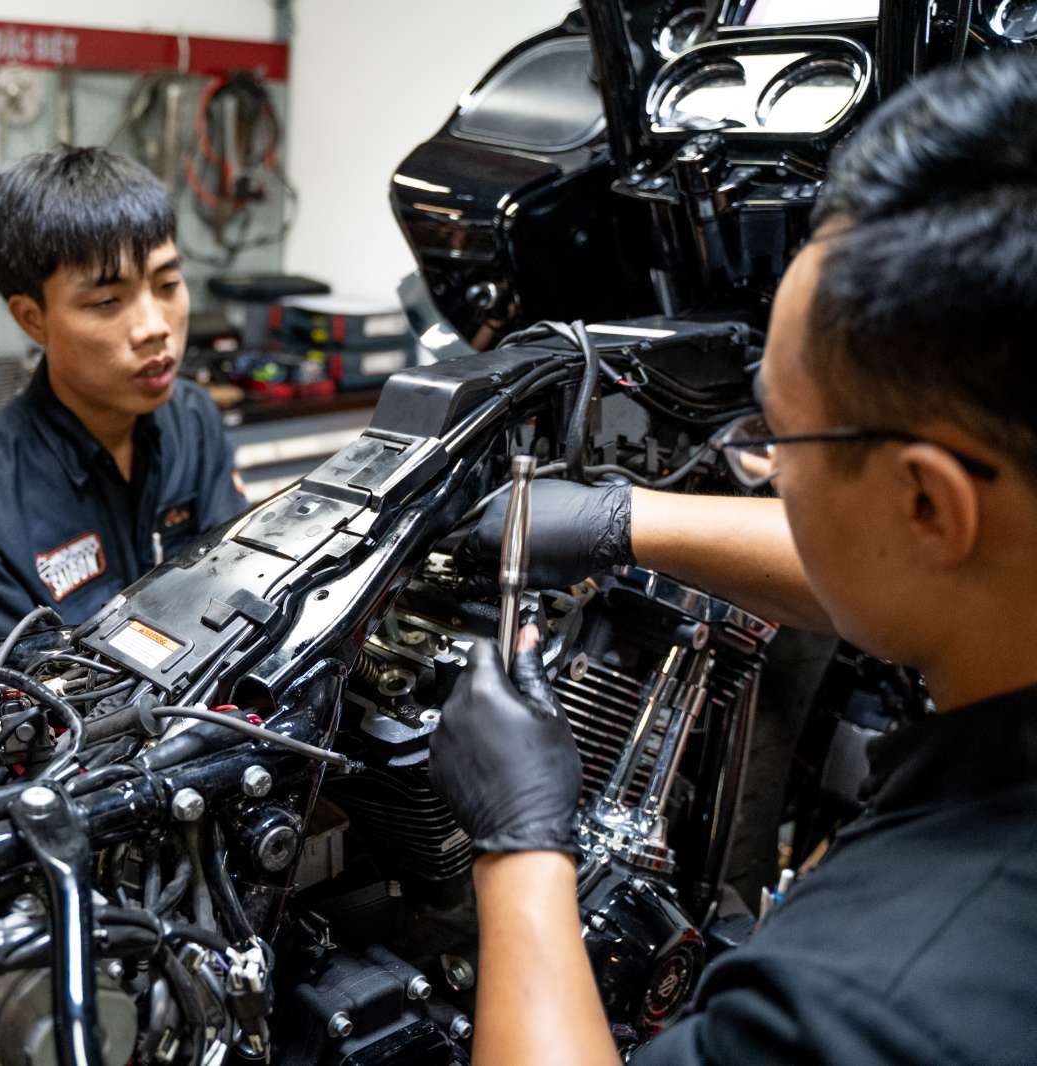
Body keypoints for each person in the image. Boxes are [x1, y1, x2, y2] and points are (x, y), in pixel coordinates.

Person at [431, 52, 1037, 1065]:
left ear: (929, 500)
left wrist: (518, 849)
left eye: (781, 439)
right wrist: (626, 518)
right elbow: (944, 568)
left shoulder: (865, 1005)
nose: (765, 470)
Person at [0, 147, 248, 644]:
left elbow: (239, 592)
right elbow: (6, 712)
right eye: (108, 302)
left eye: (168, 284)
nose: (155, 327)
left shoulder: (194, 419)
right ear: (31, 318)